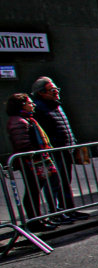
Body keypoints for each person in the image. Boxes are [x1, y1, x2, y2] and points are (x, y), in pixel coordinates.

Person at [29, 77, 85, 220]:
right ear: (42, 93)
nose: (56, 92)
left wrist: (73, 143)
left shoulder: (56, 105)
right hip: (55, 152)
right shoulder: (40, 108)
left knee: (65, 182)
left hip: (65, 150)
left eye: (56, 89)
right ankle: (57, 213)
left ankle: (69, 210)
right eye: (52, 90)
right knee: (54, 183)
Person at [6, 93, 60, 225]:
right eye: (30, 103)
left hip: (35, 160)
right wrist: (35, 154)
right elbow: (22, 144)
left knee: (35, 191)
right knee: (32, 192)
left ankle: (38, 219)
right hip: (29, 162)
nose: (33, 105)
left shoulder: (27, 119)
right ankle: (34, 222)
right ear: (22, 105)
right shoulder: (18, 121)